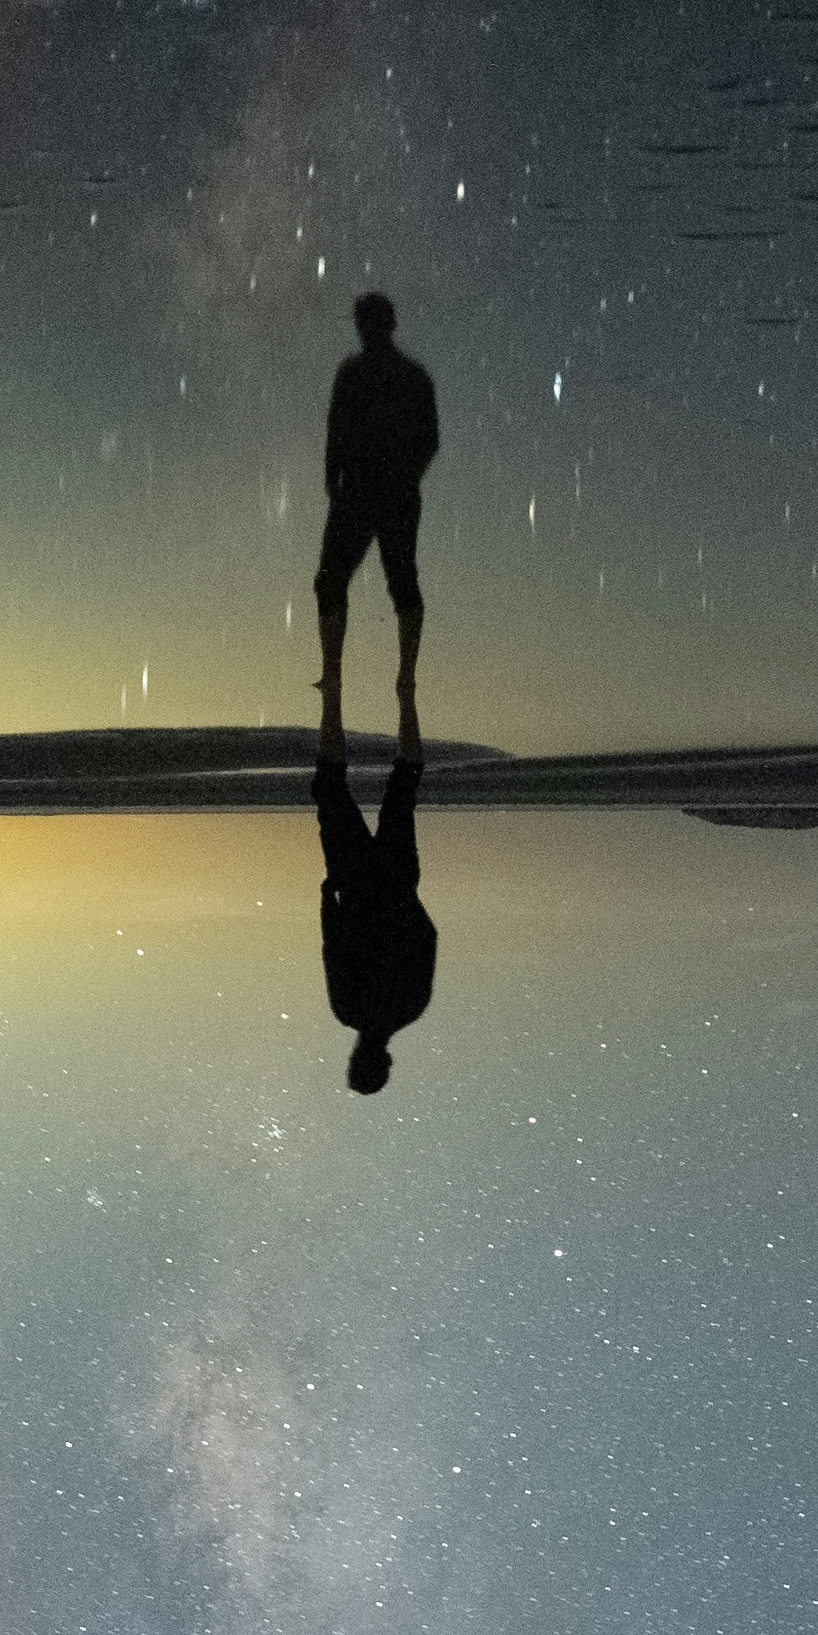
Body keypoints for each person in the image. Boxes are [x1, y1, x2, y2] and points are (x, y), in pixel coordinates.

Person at [314, 288, 439, 712]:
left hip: (379, 490)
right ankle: (351, 673)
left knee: (386, 580)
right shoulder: (399, 375)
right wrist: (336, 479)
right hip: (378, 490)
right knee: (360, 580)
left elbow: (427, 439)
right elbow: (338, 432)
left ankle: (394, 675)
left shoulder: (377, 375)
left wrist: (339, 479)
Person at [314, 690, 433, 1097]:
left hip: (395, 881)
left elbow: (428, 939)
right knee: (330, 787)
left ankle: (404, 699)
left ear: (387, 1062)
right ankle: (335, 700)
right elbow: (332, 947)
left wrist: (406, 901)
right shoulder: (347, 1010)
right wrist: (328, 897)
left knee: (402, 790)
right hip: (360, 883)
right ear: (357, 1058)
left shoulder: (411, 1008)